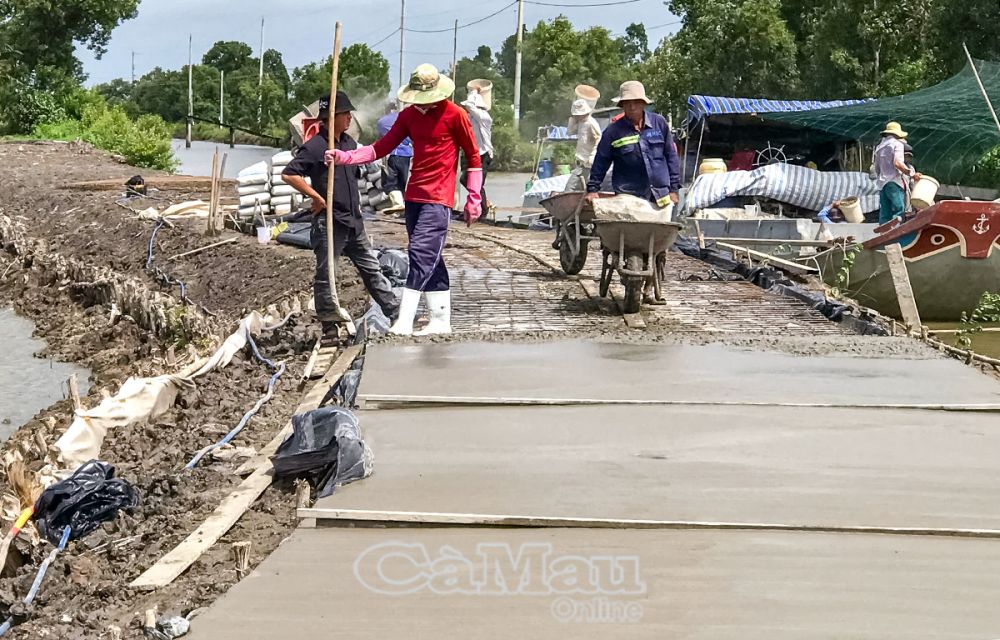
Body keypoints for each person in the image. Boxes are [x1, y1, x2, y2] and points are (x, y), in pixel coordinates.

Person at [327, 63, 482, 336]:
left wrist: (473, 197)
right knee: (431, 257)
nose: (423, 105)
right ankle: (440, 320)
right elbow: (380, 148)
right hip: (414, 196)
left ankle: (405, 320)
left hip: (439, 197)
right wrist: (345, 157)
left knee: (420, 253)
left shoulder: (456, 115)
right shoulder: (409, 116)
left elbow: (474, 157)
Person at [282, 91, 398, 343]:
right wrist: (316, 197)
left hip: (353, 220)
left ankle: (394, 311)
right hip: (329, 221)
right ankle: (330, 327)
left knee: (372, 268)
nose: (349, 118)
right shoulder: (315, 147)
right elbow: (289, 174)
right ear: (331, 117)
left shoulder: (346, 144)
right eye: (345, 114)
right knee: (327, 275)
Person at [587, 80, 681, 304]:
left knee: (659, 246)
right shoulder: (613, 132)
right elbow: (601, 161)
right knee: (627, 240)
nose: (631, 108)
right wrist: (593, 190)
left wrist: (675, 188)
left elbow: (671, 157)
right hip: (629, 196)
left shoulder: (659, 125)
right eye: (627, 104)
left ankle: (650, 287)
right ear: (622, 105)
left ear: (643, 104)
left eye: (635, 103)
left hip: (659, 194)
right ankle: (627, 270)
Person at [873, 121, 921, 224]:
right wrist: (912, 174)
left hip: (882, 183)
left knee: (885, 211)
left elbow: (877, 168)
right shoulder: (897, 144)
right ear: (897, 134)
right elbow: (898, 163)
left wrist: (881, 178)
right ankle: (896, 227)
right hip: (894, 181)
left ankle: (883, 229)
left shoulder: (879, 148)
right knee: (899, 208)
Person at [460, 90, 493, 217]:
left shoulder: (484, 117)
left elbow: (469, 106)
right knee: (465, 180)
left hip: (483, 154)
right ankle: (481, 204)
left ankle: (482, 210)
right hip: (473, 153)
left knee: (477, 184)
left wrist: (473, 92)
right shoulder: (471, 117)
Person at [377, 100, 413, 212]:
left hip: (392, 154)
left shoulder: (381, 121)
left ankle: (398, 204)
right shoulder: (406, 119)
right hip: (407, 154)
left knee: (390, 182)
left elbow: (381, 138)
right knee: (403, 181)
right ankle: (402, 208)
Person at [565, 98, 601, 192]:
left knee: (570, 189)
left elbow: (598, 139)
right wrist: (572, 121)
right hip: (580, 162)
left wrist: (593, 155)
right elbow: (569, 132)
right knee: (580, 191)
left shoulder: (591, 123)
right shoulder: (580, 123)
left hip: (588, 163)